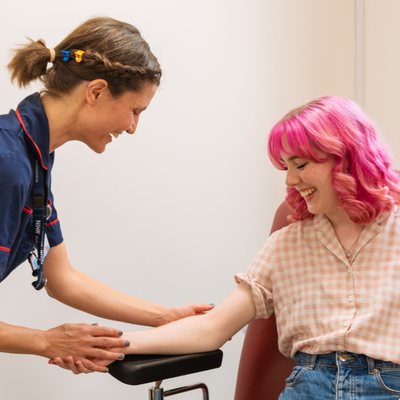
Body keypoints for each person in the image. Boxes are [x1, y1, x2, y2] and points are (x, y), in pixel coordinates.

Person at [59, 95, 400, 398]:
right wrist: (111, 346)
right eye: (286, 167)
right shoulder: (287, 244)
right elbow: (212, 328)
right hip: (310, 386)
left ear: (345, 158)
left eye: (301, 164)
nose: (289, 180)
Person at [0, 16, 213, 374]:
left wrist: (163, 317)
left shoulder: (32, 157)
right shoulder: (9, 163)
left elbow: (62, 277)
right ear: (96, 92)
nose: (132, 128)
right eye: (134, 110)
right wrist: (45, 341)